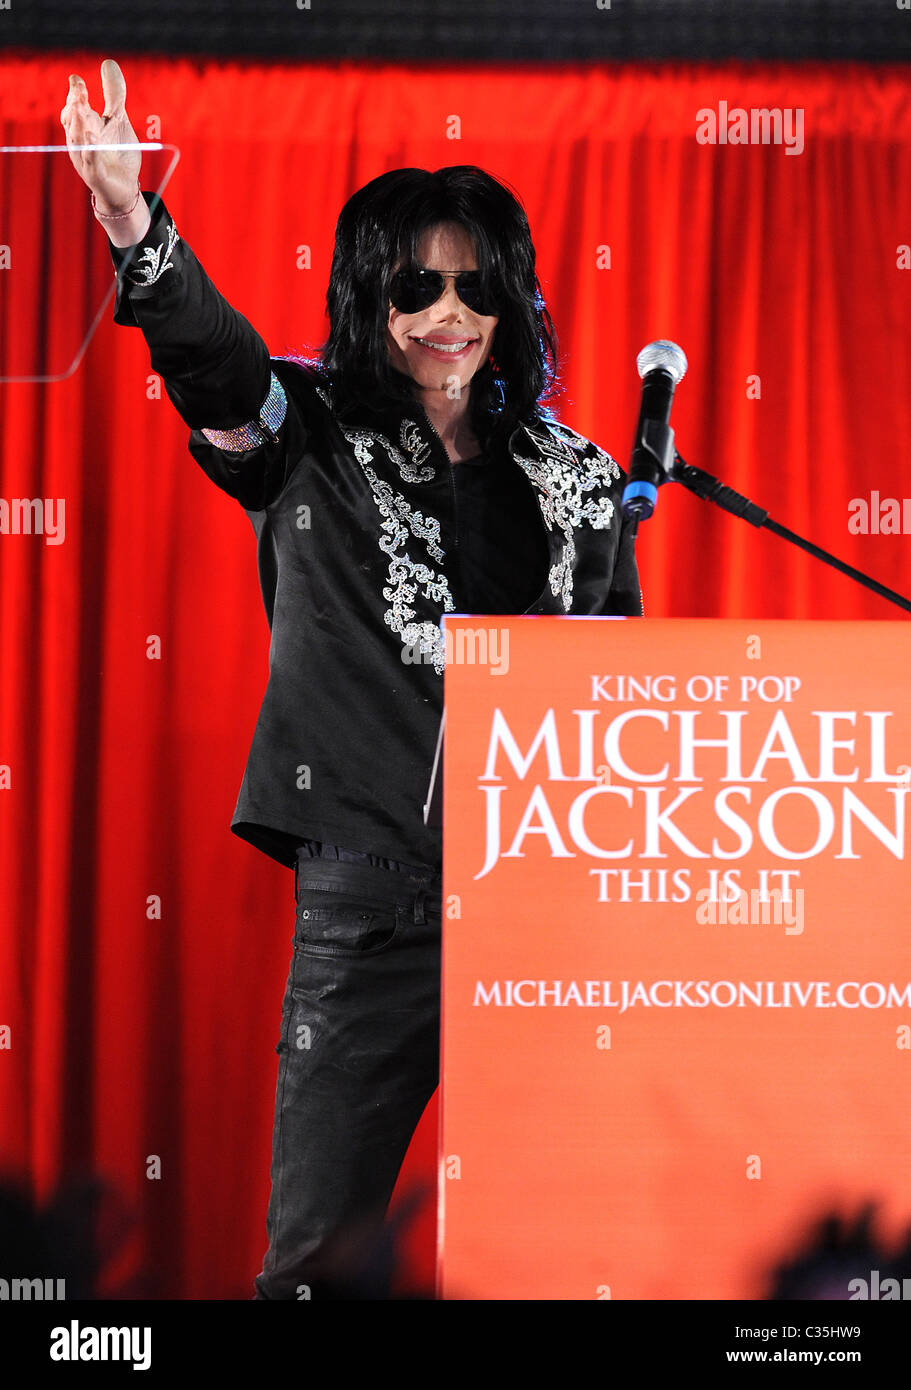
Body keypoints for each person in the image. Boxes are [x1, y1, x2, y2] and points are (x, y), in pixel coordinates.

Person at [62, 58, 643, 1299]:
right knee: (316, 1264)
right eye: (414, 284)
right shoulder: (308, 428)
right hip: (367, 902)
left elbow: (620, 698)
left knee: (564, 1261)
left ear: (511, 301)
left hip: (545, 916)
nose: (447, 310)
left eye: (473, 284)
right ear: (369, 296)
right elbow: (216, 363)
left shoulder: (583, 475)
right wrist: (130, 221)